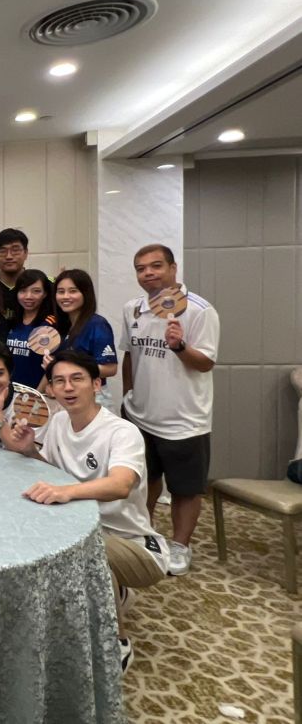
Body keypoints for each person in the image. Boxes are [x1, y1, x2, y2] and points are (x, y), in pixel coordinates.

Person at [6, 350, 167, 674]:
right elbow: (54, 472)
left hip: (135, 544)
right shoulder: (59, 422)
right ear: (51, 389)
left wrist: (66, 491)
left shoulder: (122, 432)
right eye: (59, 381)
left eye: (77, 379)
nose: (68, 387)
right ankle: (113, 591)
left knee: (80, 553)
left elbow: (121, 485)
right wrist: (28, 451)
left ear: (96, 384)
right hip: (84, 529)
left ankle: (117, 642)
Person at [121, 243, 219, 576]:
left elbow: (205, 363)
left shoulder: (200, 311)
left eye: (156, 266)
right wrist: (128, 395)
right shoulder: (133, 309)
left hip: (184, 420)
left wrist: (179, 346)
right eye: (141, 268)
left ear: (173, 268)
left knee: (185, 488)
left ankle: (180, 545)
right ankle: (144, 533)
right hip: (140, 414)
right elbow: (130, 355)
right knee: (143, 481)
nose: (148, 273)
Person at [50, 270, 118, 380]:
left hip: (90, 389)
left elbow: (110, 369)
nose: (65, 296)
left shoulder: (97, 324)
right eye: (61, 292)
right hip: (63, 388)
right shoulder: (61, 325)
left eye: (73, 291)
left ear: (85, 293)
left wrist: (69, 369)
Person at [4, 269, 60, 389]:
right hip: (9, 391)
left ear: (45, 293)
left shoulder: (49, 325)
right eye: (23, 291)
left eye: (36, 291)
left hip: (36, 394)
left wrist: (37, 394)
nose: (28, 296)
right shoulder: (11, 322)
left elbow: (51, 366)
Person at [0, 228, 30, 316]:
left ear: (26, 253)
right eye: (2, 251)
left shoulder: (41, 284)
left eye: (15, 250)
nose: (9, 256)